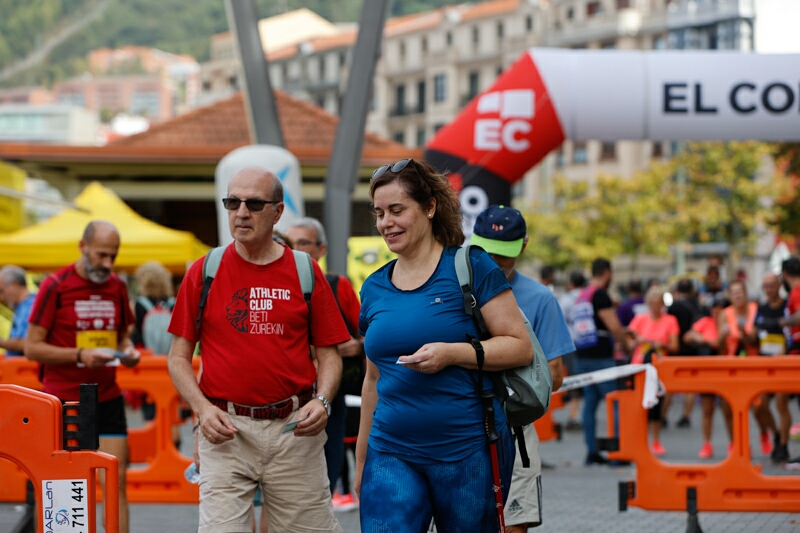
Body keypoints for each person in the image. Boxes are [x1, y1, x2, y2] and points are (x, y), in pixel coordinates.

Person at [167, 167, 350, 533]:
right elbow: (178, 357)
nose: (241, 212)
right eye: (233, 202)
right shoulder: (205, 271)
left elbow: (329, 354)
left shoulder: (305, 271)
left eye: (253, 203)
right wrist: (201, 410)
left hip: (294, 431)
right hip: (226, 429)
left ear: (277, 211)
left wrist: (323, 401)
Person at [356, 158, 532, 532]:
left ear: (430, 207)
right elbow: (373, 379)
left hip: (467, 450)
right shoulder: (373, 287)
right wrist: (361, 460)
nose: (385, 223)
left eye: (397, 210)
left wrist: (452, 354)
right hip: (390, 452)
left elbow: (519, 347)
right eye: (379, 213)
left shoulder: (471, 266)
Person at [25, 220, 141, 533]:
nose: (107, 264)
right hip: (64, 400)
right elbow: (31, 347)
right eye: (101, 255)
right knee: (62, 488)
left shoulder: (116, 285)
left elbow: (122, 338)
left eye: (113, 257)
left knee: (116, 484)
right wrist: (79, 355)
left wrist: (129, 353)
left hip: (107, 396)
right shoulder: (56, 284)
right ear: (82, 246)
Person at [470, 205, 574, 532]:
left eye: (504, 255)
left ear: (524, 246)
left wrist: (512, 374)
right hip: (459, 419)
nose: (494, 263)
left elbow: (555, 375)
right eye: (486, 252)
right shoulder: (451, 288)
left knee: (515, 521)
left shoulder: (540, 298)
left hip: (514, 424)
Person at [286, 216, 364, 511]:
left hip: (331, 396)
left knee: (325, 475)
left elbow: (368, 335)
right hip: (285, 398)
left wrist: (354, 346)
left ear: (321, 249)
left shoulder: (336, 285)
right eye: (290, 243)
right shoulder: (275, 285)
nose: (295, 249)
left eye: (303, 243)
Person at [573, 258, 631, 465]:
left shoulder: (583, 294)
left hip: (583, 356)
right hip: (601, 358)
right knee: (614, 402)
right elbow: (613, 326)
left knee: (590, 404)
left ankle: (591, 452)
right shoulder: (600, 294)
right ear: (607, 272)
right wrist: (626, 345)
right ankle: (616, 453)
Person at [719, 280, 774, 457]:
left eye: (740, 292)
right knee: (728, 408)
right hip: (732, 365)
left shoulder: (755, 310)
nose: (737, 295)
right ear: (729, 296)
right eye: (733, 292)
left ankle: (765, 433)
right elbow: (719, 347)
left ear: (745, 293)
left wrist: (744, 333)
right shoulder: (724, 314)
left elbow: (757, 340)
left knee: (759, 407)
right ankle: (737, 444)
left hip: (754, 365)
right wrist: (722, 337)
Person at [626, 286, 679, 456]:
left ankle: (656, 440)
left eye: (659, 302)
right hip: (639, 365)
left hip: (659, 367)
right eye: (652, 302)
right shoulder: (639, 319)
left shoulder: (670, 320)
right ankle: (639, 439)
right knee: (638, 404)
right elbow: (628, 343)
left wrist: (659, 344)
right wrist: (639, 341)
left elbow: (674, 346)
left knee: (656, 404)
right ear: (647, 303)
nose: (655, 306)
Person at [683, 295, 731, 458]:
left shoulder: (729, 324)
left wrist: (719, 340)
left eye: (721, 308)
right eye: (714, 308)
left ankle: (733, 443)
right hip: (709, 371)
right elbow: (689, 335)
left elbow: (724, 345)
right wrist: (701, 338)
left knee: (728, 410)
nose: (717, 311)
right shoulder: (705, 322)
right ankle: (707, 444)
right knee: (707, 409)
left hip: (727, 371)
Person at [131, 260, 175, 421]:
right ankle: (173, 440)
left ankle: (151, 440)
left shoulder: (139, 305)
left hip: (147, 361)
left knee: (149, 404)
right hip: (170, 361)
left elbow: (135, 334)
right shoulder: (172, 304)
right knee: (170, 404)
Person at [755, 272, 788, 462]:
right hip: (764, 364)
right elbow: (754, 335)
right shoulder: (761, 309)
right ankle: (775, 433)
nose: (769, 289)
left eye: (772, 285)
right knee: (759, 406)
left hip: (783, 364)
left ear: (779, 286)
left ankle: (783, 446)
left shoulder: (786, 307)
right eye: (766, 286)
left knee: (781, 404)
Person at [667, 279, 703, 429]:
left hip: (675, 349)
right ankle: (686, 415)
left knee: (668, 384)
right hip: (693, 349)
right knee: (690, 386)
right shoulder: (697, 305)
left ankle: (662, 416)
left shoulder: (674, 307)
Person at [779, 257, 800, 466]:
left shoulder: (796, 290)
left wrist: (783, 321)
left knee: (782, 398)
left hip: (797, 349)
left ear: (785, 275)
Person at [559, 270, 586, 431]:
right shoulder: (588, 296)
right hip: (589, 343)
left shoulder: (567, 299)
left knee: (573, 379)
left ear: (571, 283)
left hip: (571, 342)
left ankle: (574, 414)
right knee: (586, 379)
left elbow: (559, 318)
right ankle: (578, 413)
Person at [0, 265, 36, 356]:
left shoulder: (32, 305)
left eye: (1, 291)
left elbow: (27, 343)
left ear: (14, 284)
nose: (1, 297)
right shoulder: (21, 307)